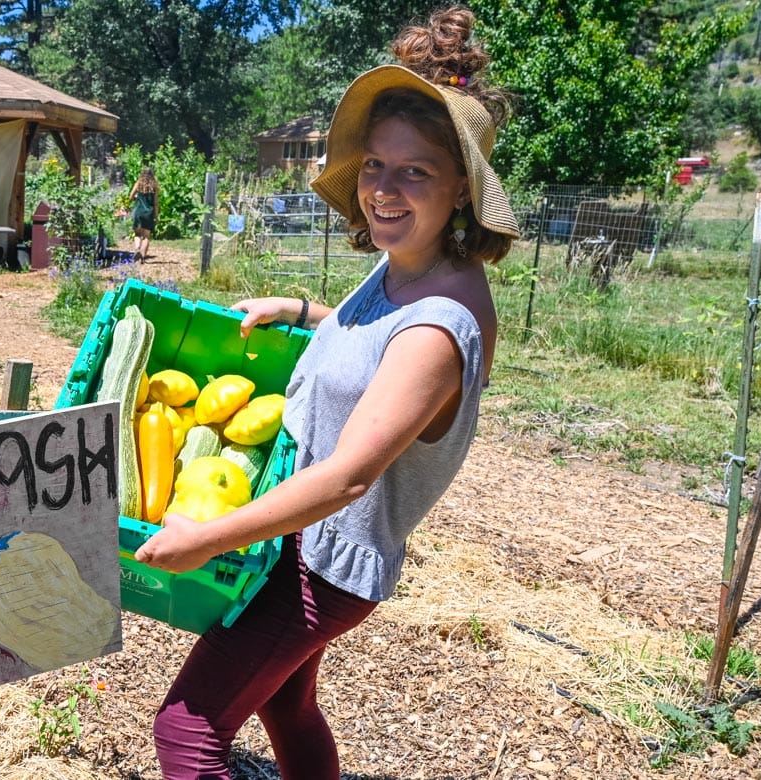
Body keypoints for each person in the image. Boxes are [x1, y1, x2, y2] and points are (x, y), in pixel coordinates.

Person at [133, 6, 520, 779]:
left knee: (187, 730)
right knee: (285, 703)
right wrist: (299, 311)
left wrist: (212, 536)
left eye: (415, 172)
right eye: (375, 165)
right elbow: (366, 336)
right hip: (304, 544)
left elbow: (349, 476)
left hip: (322, 565)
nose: (383, 189)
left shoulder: (439, 327)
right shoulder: (409, 263)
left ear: (462, 192)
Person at [129, 166, 159, 259]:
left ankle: (137, 248)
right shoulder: (154, 186)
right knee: (146, 236)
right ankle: (143, 255)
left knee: (137, 234)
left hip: (138, 211)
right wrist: (156, 216)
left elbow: (131, 196)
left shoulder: (138, 183)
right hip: (149, 213)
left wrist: (136, 198)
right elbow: (155, 204)